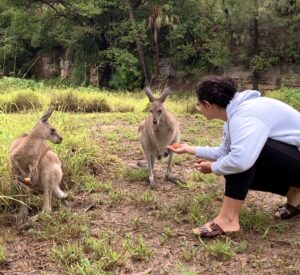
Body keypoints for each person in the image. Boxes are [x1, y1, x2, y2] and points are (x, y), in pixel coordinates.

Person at [168, 76, 300, 238]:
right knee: (239, 156)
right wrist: (189, 149)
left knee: (241, 158)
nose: (199, 108)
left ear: (207, 105)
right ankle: (296, 195)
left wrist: (213, 167)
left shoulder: (245, 116)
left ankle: (228, 219)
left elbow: (239, 160)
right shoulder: (235, 114)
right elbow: (224, 152)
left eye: (199, 104)